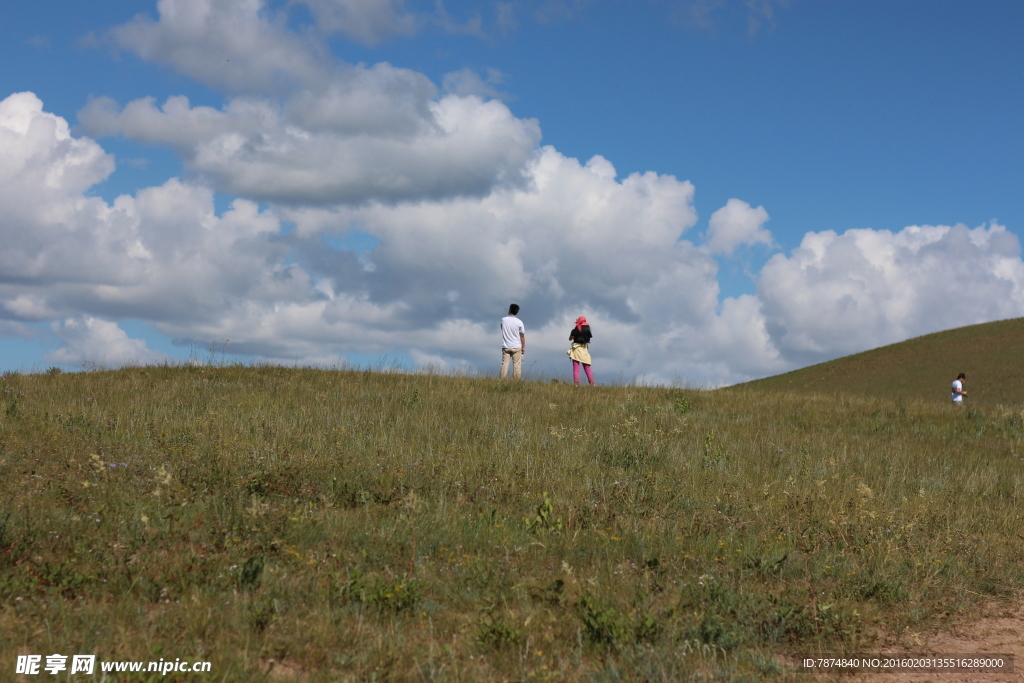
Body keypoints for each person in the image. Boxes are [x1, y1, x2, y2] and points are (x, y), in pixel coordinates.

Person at [500, 304, 526, 379]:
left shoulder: (503, 320)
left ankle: (502, 380)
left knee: (504, 364)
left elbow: (502, 328)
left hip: (506, 346)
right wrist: (523, 347)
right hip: (517, 346)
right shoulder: (519, 322)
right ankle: (516, 381)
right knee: (517, 365)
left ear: (510, 310)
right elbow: (522, 336)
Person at [568, 315, 595, 386]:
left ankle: (576, 383)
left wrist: (573, 336)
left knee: (576, 368)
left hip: (576, 350)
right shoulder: (587, 331)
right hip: (584, 350)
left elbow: (570, 338)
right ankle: (592, 383)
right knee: (587, 367)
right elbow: (589, 338)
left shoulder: (574, 331)